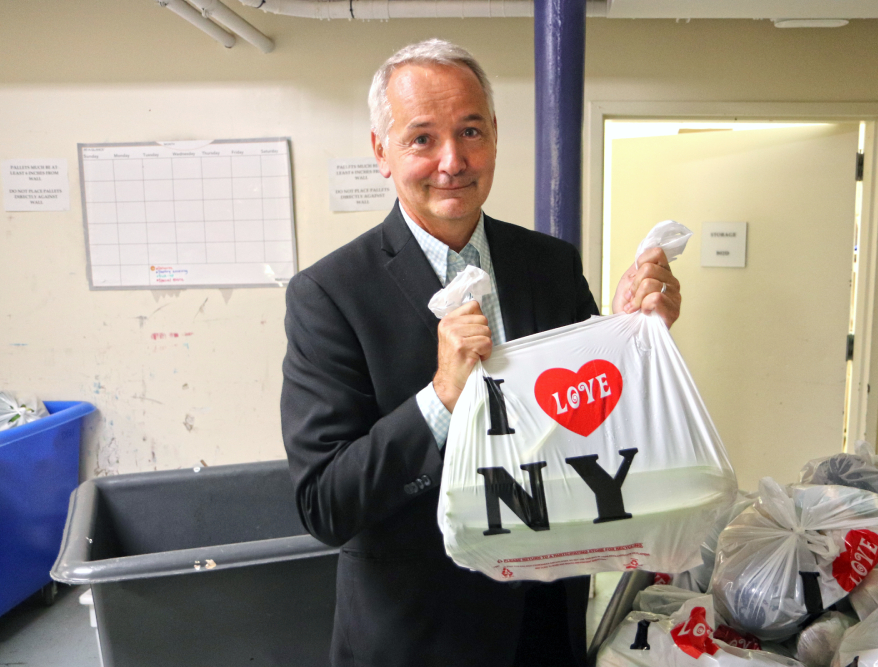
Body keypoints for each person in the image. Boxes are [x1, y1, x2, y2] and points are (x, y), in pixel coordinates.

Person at [281, 39, 682, 667]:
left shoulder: (549, 264)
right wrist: (441, 396)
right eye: (421, 139)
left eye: (471, 131)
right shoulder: (330, 295)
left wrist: (633, 338)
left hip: (545, 622)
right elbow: (325, 505)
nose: (453, 161)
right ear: (381, 151)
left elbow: (596, 426)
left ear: (494, 134)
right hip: (417, 637)